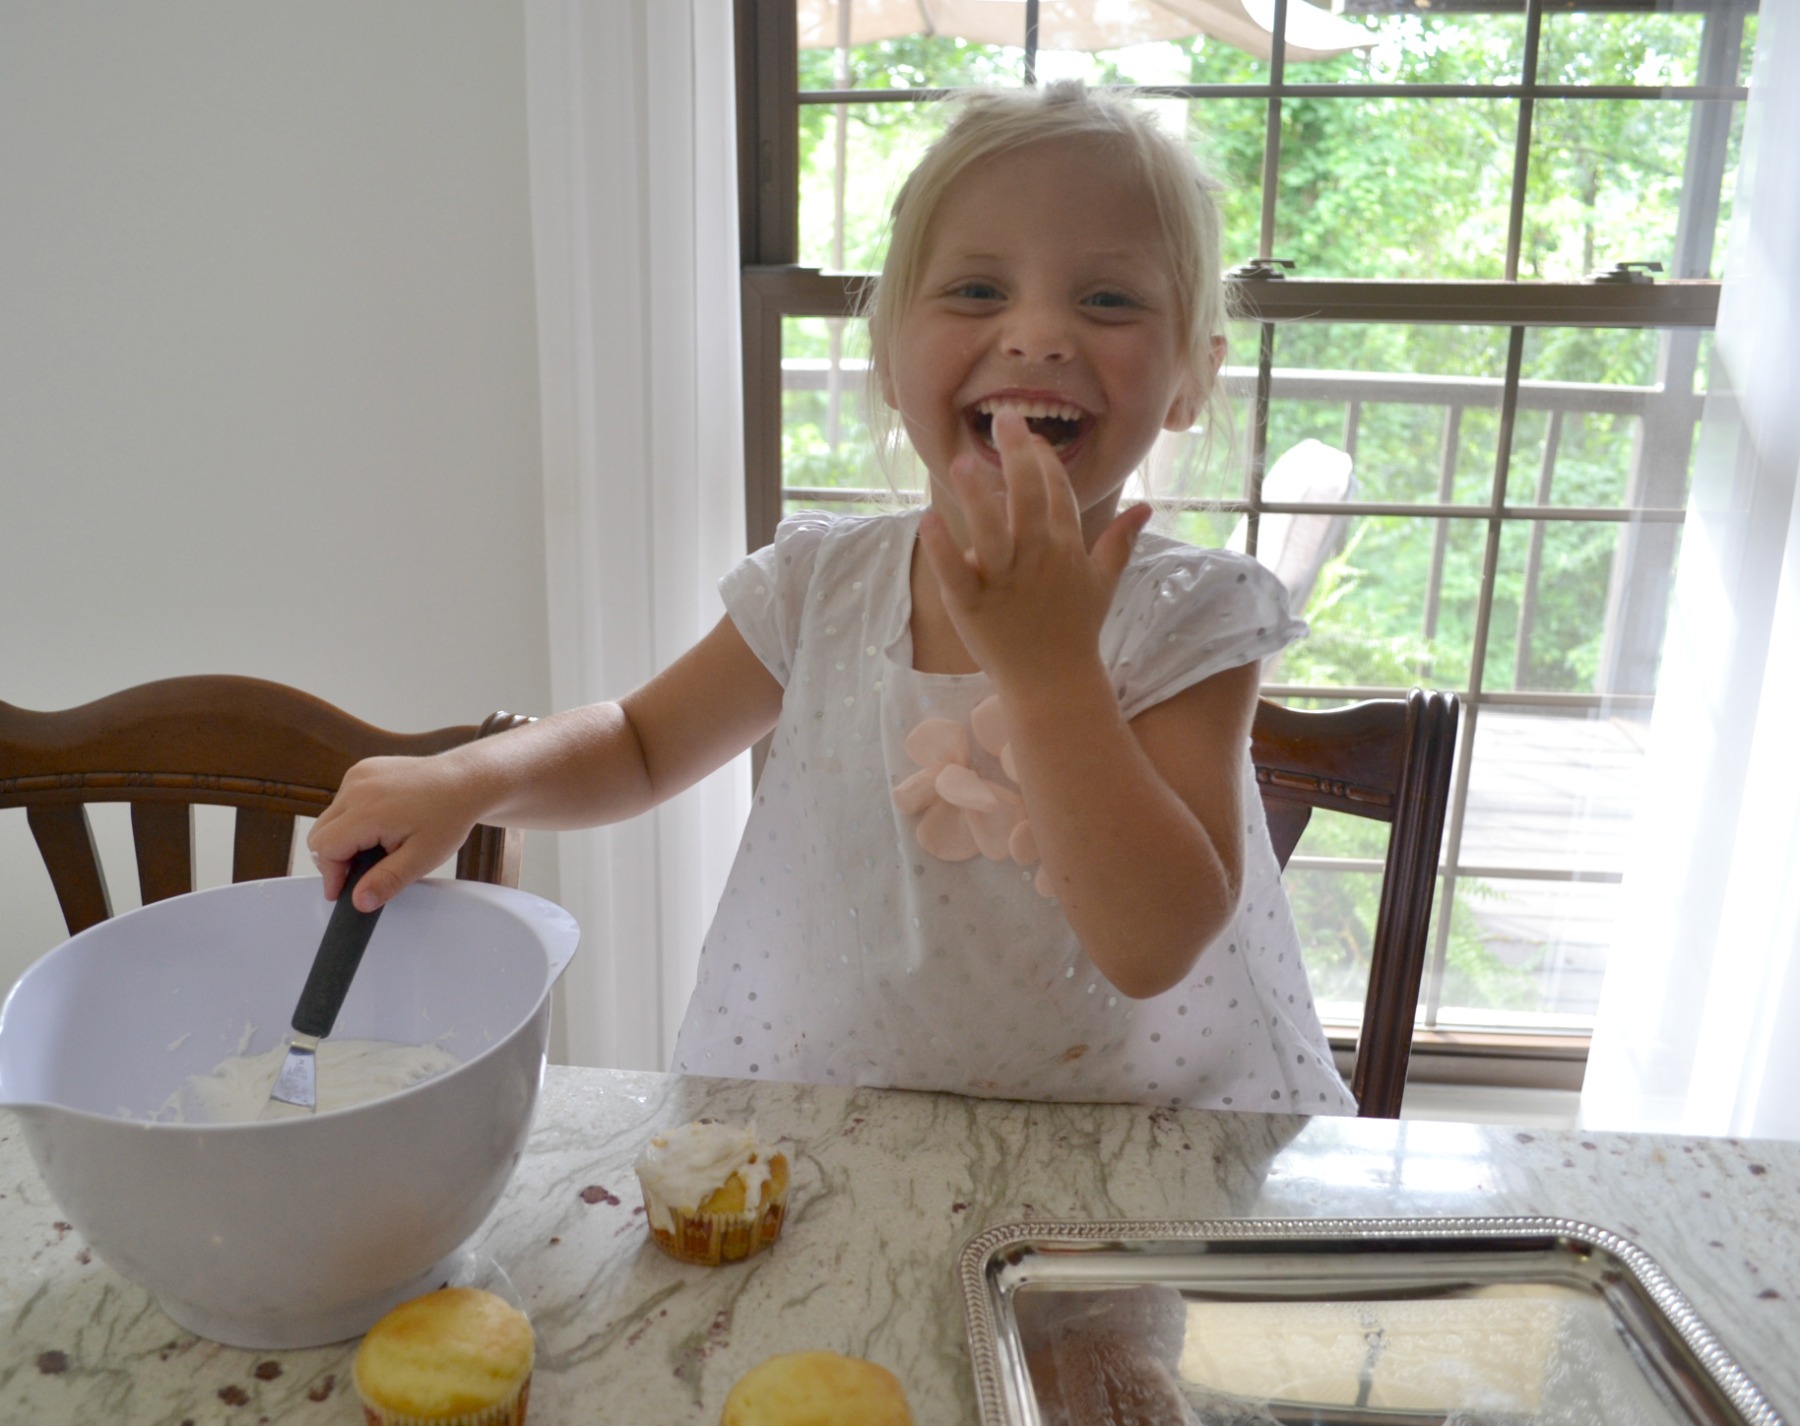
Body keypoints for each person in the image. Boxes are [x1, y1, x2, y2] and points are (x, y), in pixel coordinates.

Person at [308, 82, 1355, 1114]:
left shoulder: (1193, 619)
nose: (1037, 335)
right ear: (889, 360)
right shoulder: (825, 589)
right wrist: (468, 779)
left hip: (1132, 1151)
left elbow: (1154, 944)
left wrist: (1049, 674)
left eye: (1109, 299)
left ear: (1189, 378)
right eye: (978, 291)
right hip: (857, 1126)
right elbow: (636, 742)